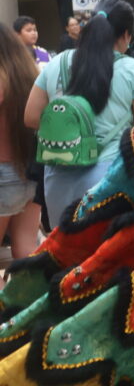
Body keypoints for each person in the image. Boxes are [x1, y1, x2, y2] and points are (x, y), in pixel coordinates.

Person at [25, 0, 134, 222]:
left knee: (63, 252)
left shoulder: (58, 62)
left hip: (58, 172)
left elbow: (31, 118)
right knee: (105, 253)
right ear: (126, 35)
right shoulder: (133, 70)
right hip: (110, 176)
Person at [0, 23, 44, 283]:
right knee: (26, 249)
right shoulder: (30, 73)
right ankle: (25, 312)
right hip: (31, 170)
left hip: (4, 174)